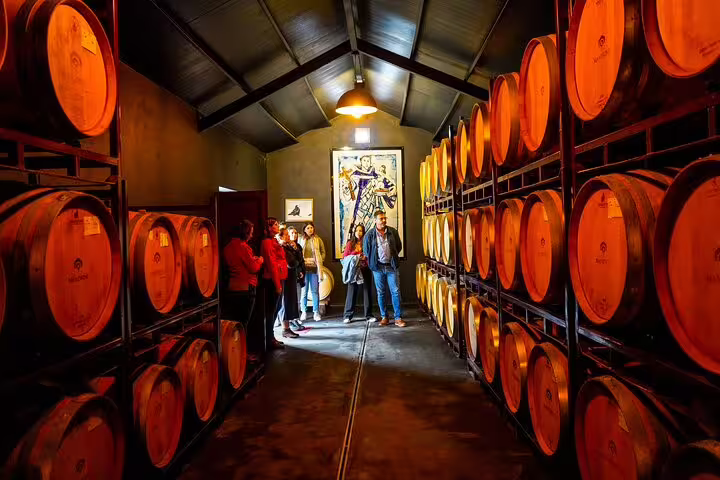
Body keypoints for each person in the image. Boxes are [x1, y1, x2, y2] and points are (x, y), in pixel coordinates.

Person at [222, 220, 264, 358]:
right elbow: (253, 267)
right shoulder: (243, 247)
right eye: (250, 233)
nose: (251, 236)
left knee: (234, 323)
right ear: (245, 233)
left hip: (232, 287)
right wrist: (260, 260)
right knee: (243, 324)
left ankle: (234, 354)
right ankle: (242, 355)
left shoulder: (228, 246)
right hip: (246, 288)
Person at [363, 210, 405, 327]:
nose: (383, 220)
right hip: (378, 268)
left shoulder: (393, 232)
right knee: (381, 293)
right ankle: (384, 317)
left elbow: (398, 246)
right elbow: (366, 251)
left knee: (395, 292)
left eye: (384, 218)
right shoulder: (369, 235)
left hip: (391, 266)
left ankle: (398, 318)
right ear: (375, 220)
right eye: (381, 219)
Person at [261, 217, 294, 350]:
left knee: (276, 308)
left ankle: (271, 337)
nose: (277, 226)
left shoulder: (273, 241)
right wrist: (277, 285)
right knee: (271, 311)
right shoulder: (267, 243)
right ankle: (269, 338)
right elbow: (271, 264)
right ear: (268, 228)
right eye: (274, 224)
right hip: (272, 280)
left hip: (279, 277)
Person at [342, 224, 375, 324]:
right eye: (357, 230)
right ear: (354, 232)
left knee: (367, 292)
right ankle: (347, 315)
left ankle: (368, 315)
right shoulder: (350, 243)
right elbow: (345, 257)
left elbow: (371, 255)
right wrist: (356, 256)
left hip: (365, 269)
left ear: (363, 232)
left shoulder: (367, 242)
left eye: (361, 231)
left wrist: (365, 258)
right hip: (354, 270)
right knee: (351, 292)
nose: (358, 232)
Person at [299, 222, 325, 321]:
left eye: (311, 227)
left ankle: (316, 312)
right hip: (304, 269)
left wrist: (320, 260)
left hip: (314, 268)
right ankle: (304, 311)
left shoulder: (317, 239)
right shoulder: (301, 239)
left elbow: (323, 252)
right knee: (304, 291)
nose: (310, 229)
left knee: (315, 291)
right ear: (304, 229)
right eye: (308, 228)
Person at [282, 226, 306, 331]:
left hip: (296, 273)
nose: (293, 235)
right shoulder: (284, 247)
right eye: (290, 234)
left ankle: (295, 319)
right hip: (288, 276)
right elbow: (292, 262)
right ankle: (289, 323)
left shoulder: (298, 246)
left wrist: (300, 271)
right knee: (287, 301)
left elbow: (300, 260)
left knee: (296, 298)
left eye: (295, 233)